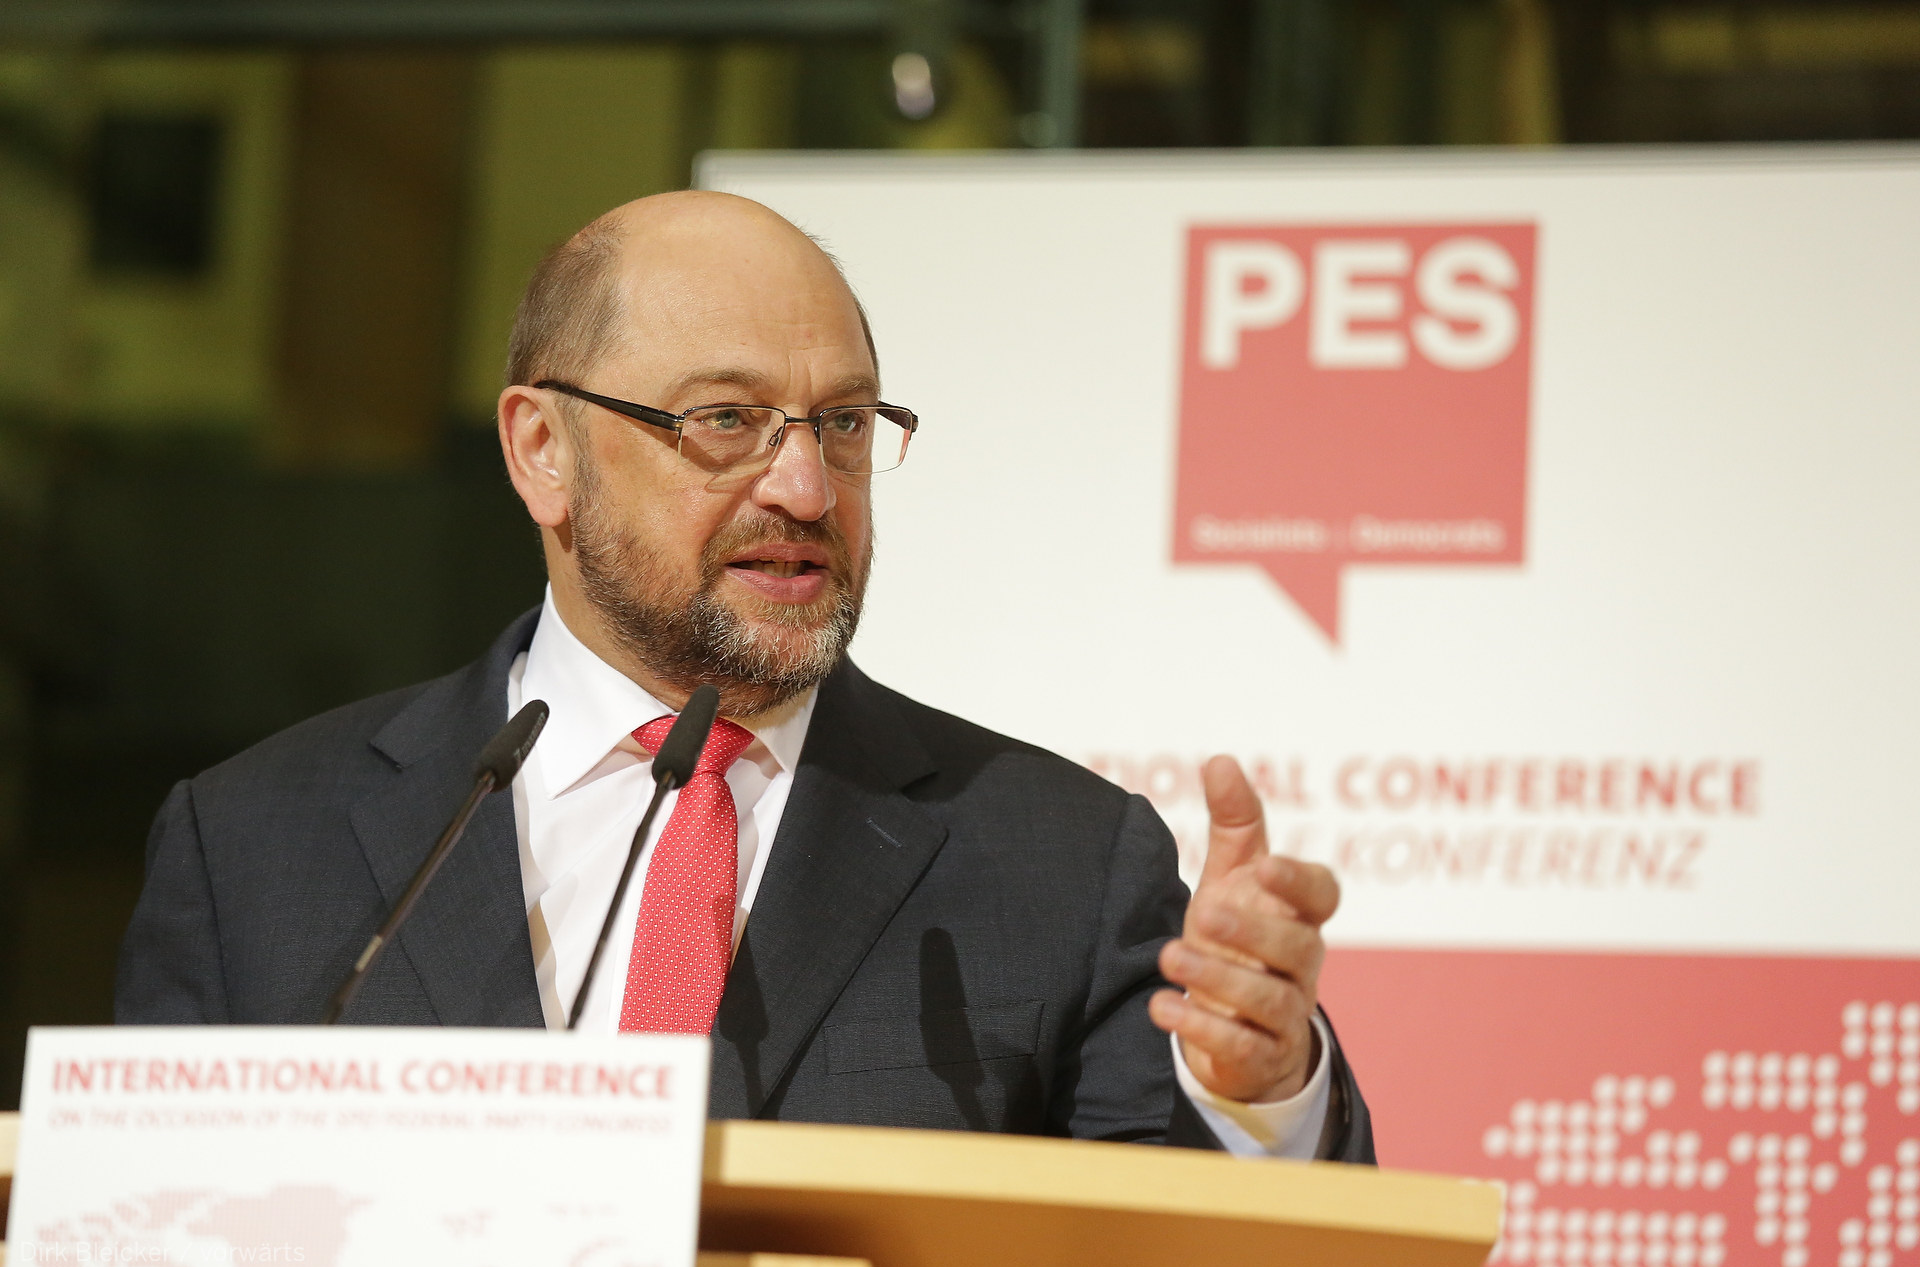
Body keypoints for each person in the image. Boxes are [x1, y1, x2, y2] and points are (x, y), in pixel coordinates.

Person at [117, 191, 1373, 1162]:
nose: (807, 489)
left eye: (842, 423)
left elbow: (1194, 1241)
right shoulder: (252, 848)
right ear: (543, 449)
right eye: (726, 419)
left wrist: (1257, 1095)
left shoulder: (1061, 862)